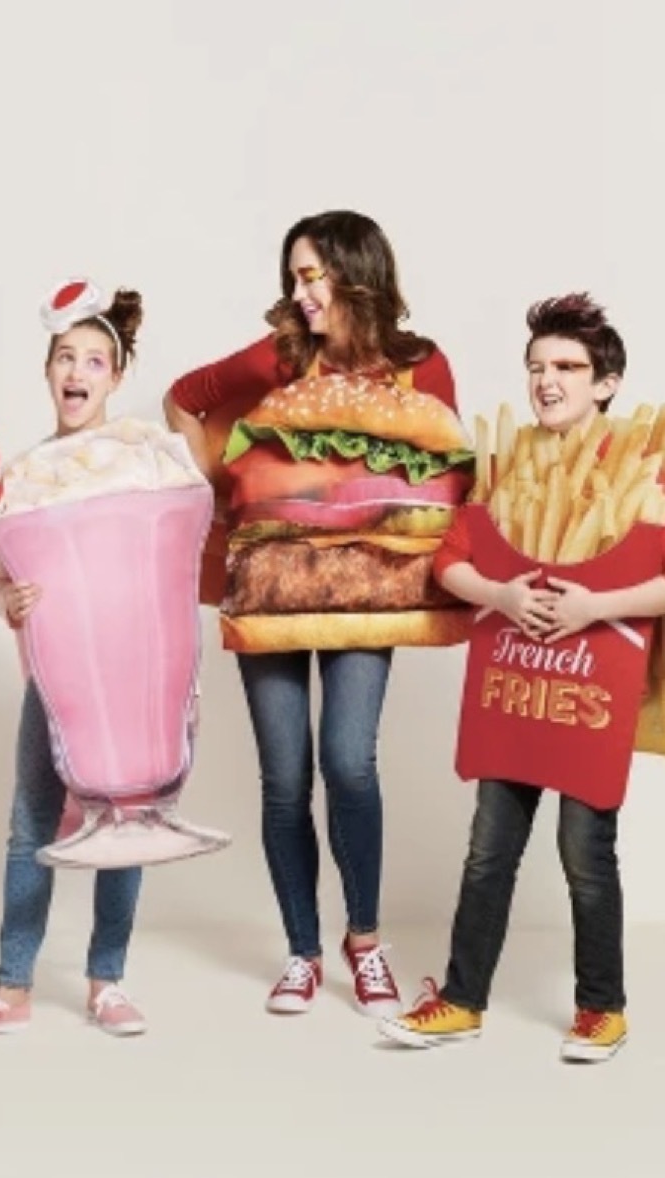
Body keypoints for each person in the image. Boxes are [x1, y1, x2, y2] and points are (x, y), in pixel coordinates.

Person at [378, 293, 665, 1061]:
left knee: (584, 853)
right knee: (489, 851)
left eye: (567, 367)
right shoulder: (506, 466)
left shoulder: (640, 475)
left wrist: (597, 604)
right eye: (536, 368)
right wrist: (500, 594)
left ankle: (603, 1009)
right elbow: (450, 560)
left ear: (606, 382)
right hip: (517, 686)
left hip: (591, 693)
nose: (547, 382)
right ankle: (462, 1001)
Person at [164, 210, 460, 1018]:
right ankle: (301, 951)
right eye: (293, 276)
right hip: (270, 582)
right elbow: (184, 398)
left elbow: (443, 474)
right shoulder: (280, 354)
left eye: (312, 275)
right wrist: (230, 487)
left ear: (358, 274)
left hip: (373, 586)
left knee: (349, 762)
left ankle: (363, 941)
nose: (299, 292)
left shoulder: (421, 368)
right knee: (285, 777)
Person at [0, 280, 150, 1038]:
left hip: (124, 672)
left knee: (124, 821)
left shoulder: (139, 458)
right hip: (52, 677)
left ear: (116, 376)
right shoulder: (18, 474)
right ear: (48, 370)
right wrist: (7, 605)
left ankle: (107, 981)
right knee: (31, 824)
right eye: (65, 357)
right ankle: (12, 988)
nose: (78, 371)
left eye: (95, 358)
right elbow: (1, 582)